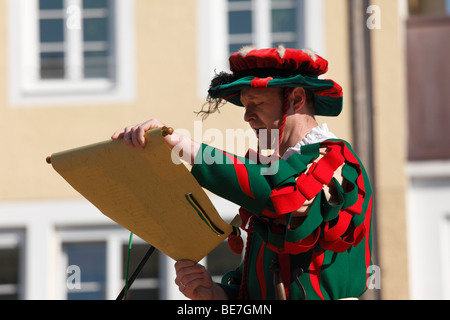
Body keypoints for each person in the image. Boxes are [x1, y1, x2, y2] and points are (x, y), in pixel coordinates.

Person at [112, 46, 374, 300]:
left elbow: (282, 196)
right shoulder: (275, 169)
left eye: (257, 103)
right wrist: (215, 294)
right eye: (245, 106)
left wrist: (175, 143)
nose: (247, 116)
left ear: (296, 99)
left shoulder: (337, 161)